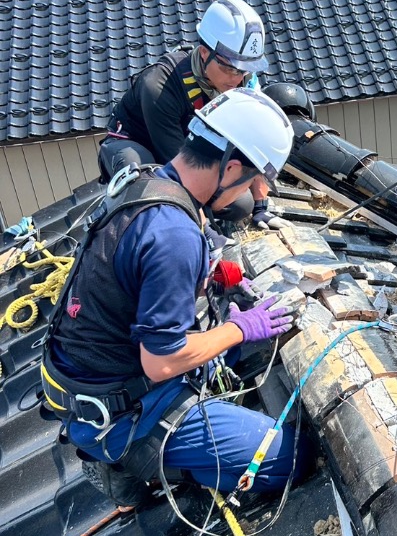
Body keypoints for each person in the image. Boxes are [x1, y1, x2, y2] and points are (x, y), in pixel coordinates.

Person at [41, 89, 310, 507]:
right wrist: (238, 328)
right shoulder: (172, 234)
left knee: (249, 345)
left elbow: (140, 271)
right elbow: (161, 361)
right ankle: (142, 461)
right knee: (288, 455)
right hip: (122, 402)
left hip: (98, 365)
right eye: (251, 179)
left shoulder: (151, 179)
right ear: (231, 165)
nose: (251, 192)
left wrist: (215, 278)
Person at [98, 0, 273, 228]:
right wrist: (203, 232)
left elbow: (250, 140)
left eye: (244, 70)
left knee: (241, 205)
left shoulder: (243, 81)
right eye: (229, 68)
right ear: (203, 54)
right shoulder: (159, 86)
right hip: (136, 145)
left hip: (188, 143)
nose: (237, 78)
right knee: (145, 184)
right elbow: (181, 171)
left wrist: (261, 204)